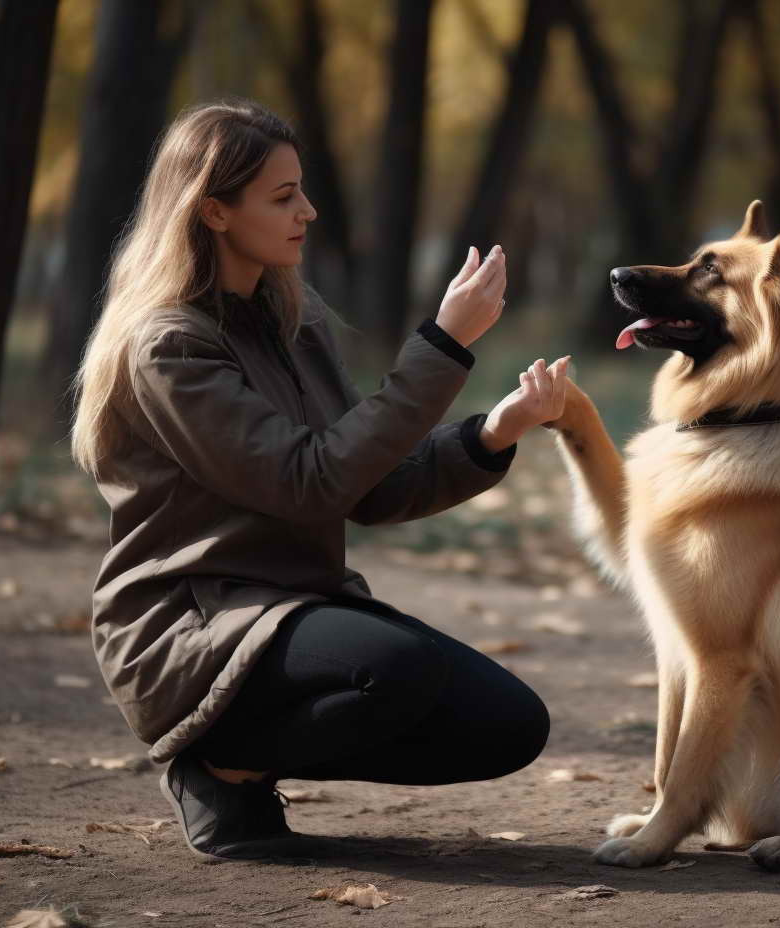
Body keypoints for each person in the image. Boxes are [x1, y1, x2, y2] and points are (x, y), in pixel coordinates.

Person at [69, 98, 569, 861]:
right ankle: (218, 768)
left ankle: (239, 771)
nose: (307, 209)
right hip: (191, 622)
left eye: (301, 188)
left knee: (509, 725)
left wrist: (494, 431)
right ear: (214, 212)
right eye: (281, 196)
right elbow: (308, 482)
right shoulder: (167, 347)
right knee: (401, 671)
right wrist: (441, 345)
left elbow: (366, 487)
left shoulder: (292, 324)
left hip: (291, 608)